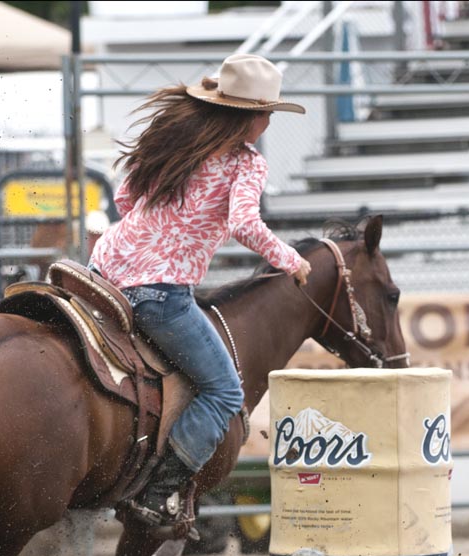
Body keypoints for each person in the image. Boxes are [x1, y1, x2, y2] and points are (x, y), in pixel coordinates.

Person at [88, 54, 311, 532]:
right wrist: (290, 259)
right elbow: (244, 224)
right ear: (251, 116)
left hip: (102, 270)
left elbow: (126, 199)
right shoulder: (246, 164)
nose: (269, 119)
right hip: (159, 291)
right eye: (268, 111)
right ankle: (156, 493)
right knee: (225, 391)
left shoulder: (176, 140)